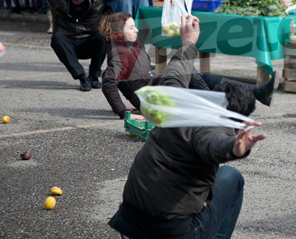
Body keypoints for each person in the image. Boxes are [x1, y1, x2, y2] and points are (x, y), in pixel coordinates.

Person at [108, 13, 267, 239]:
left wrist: (188, 43)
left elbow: (174, 75)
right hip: (169, 231)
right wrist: (235, 147)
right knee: (232, 177)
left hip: (129, 220)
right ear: (235, 119)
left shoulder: (176, 105)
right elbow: (212, 145)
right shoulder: (213, 129)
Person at [0, 0, 155, 91]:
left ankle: (94, 76)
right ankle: (81, 77)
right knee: (56, 38)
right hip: (68, 42)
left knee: (103, 36)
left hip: (89, 40)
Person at [100, 12, 275, 119]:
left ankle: (257, 92)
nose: (137, 30)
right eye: (131, 28)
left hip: (154, 87)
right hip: (151, 98)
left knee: (202, 76)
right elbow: (108, 81)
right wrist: (122, 111)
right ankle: (216, 106)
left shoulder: (129, 45)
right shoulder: (119, 52)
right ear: (117, 33)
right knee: (188, 71)